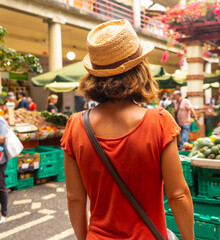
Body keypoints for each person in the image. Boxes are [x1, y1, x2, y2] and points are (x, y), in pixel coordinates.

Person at [61, 19, 194, 240]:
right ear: (140, 70)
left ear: (94, 74)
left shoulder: (75, 125)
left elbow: (74, 198)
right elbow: (178, 195)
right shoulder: (159, 121)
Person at [0, 117, 8, 224]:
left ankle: (4, 214)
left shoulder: (0, 120)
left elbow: (2, 138)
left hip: (1, 158)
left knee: (1, 185)